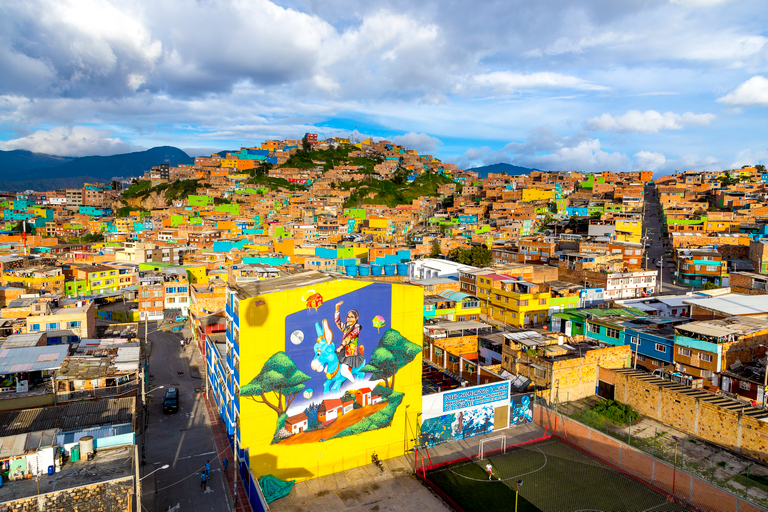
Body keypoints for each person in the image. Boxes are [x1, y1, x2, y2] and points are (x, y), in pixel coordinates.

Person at [334, 301, 364, 367]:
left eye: (352, 317)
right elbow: (337, 322)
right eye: (348, 317)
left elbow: (349, 337)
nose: (349, 319)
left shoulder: (357, 327)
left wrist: (341, 346)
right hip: (344, 352)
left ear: (356, 318)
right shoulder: (346, 327)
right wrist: (337, 309)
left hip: (351, 354)